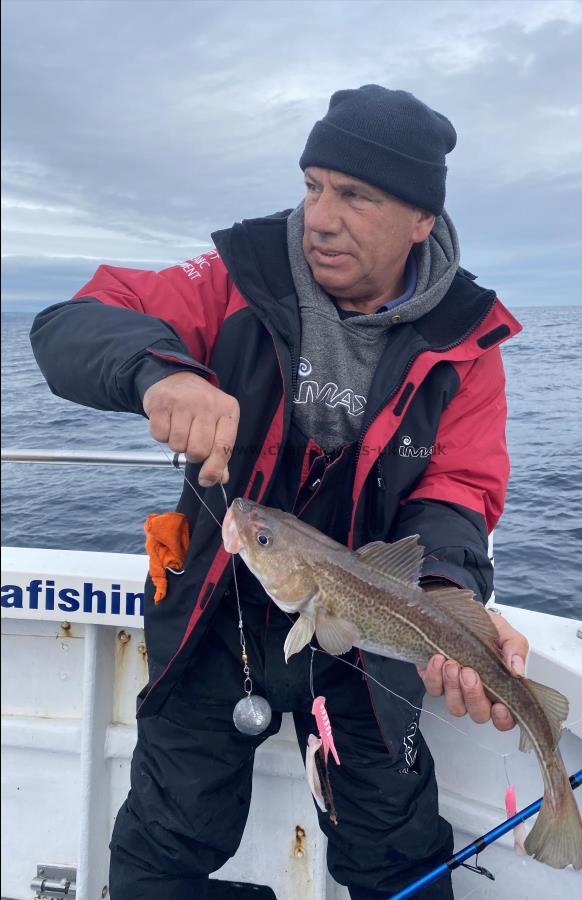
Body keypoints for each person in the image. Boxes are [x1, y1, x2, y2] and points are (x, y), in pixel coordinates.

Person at [31, 84, 527, 899]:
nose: (319, 217)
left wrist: (444, 597)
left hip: (365, 622)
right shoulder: (236, 277)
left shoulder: (464, 342)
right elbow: (73, 320)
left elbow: (458, 487)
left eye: (355, 195)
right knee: (159, 850)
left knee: (397, 850)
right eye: (313, 185)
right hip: (216, 611)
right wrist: (160, 374)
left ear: (420, 221)